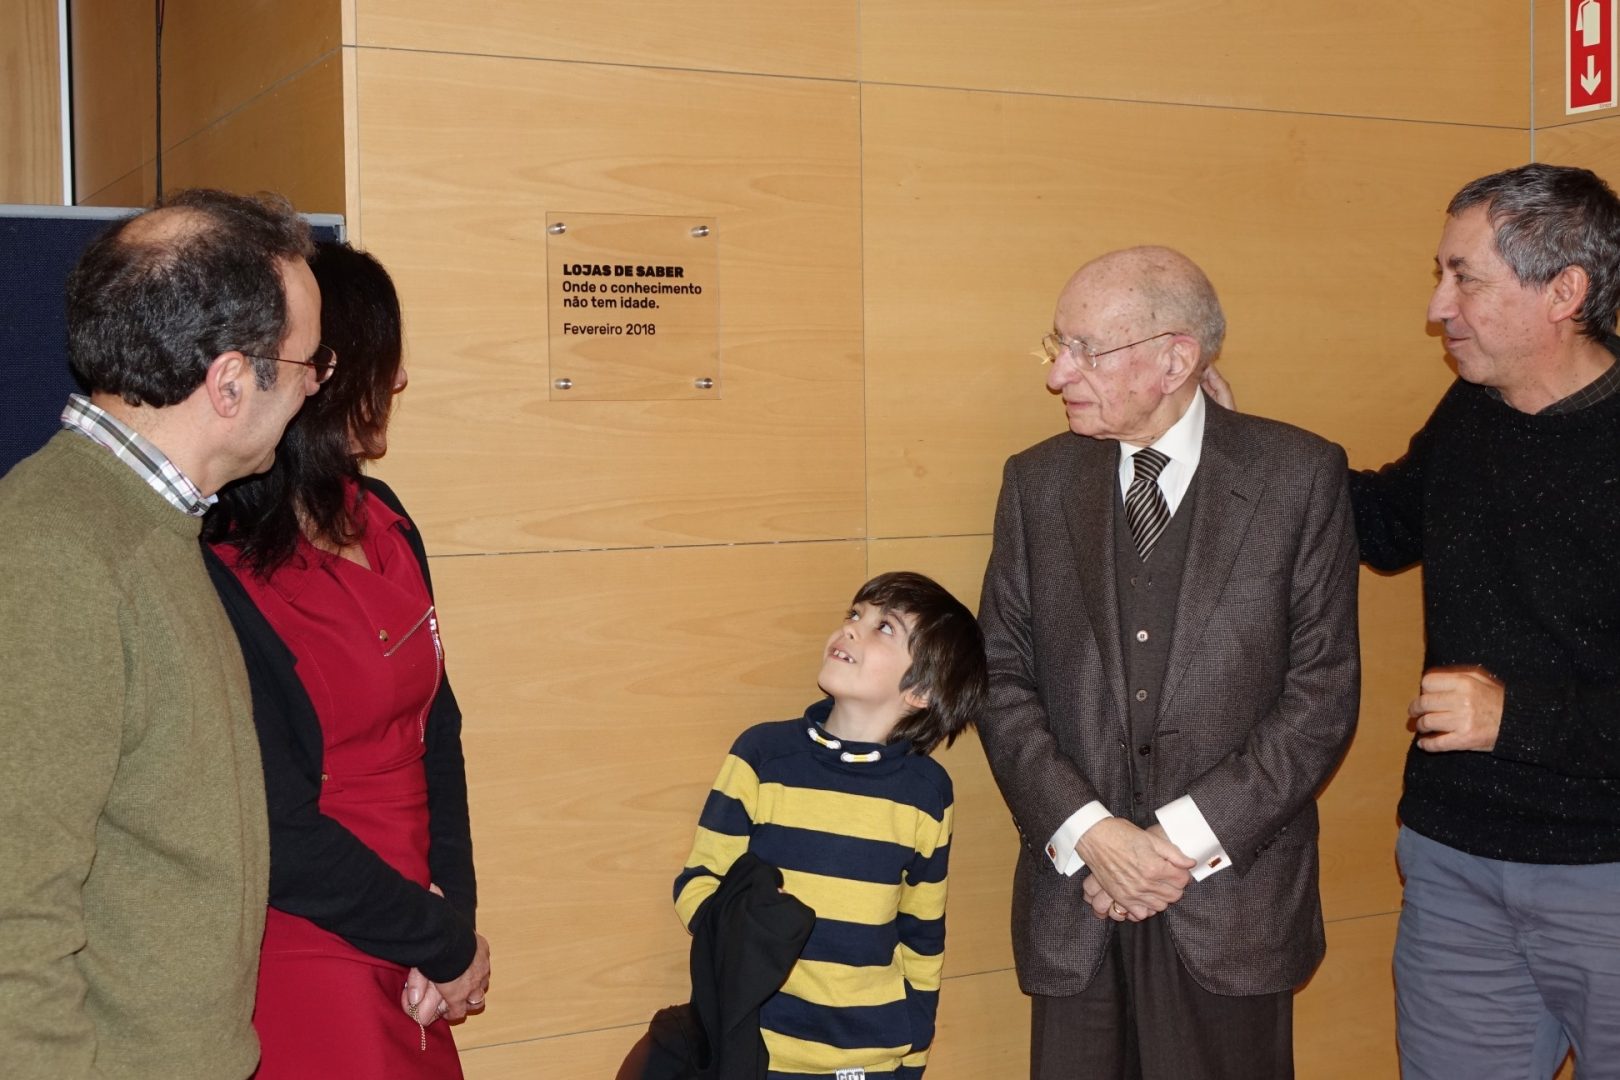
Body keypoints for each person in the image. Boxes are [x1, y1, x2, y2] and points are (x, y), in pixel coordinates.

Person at [977, 246, 1360, 1080]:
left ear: (1176, 358)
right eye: (1058, 346)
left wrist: (1170, 846)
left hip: (1233, 901)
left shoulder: (1299, 476)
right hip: (1075, 895)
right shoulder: (1036, 484)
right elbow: (1000, 676)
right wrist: (1093, 834)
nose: (1058, 376)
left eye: (1085, 349)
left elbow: (1321, 695)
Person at [0, 189, 321, 1079]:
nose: (312, 387)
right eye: (306, 364)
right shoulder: (57, 553)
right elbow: (12, 916)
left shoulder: (144, 528)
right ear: (228, 382)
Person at [1340, 163, 1620, 1079]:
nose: (1437, 307)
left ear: (1565, 293)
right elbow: (1382, 526)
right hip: (1455, 864)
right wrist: (1235, 444)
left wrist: (1517, 718)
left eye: (1466, 277)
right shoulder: (1472, 408)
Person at [201, 241, 490, 1079]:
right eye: (385, 359)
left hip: (420, 928)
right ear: (326, 372)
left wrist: (452, 924)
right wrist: (436, 938)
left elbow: (441, 727)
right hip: (309, 935)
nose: (397, 382)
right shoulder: (218, 561)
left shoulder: (387, 518)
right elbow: (276, 828)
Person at [672, 571, 989, 1079]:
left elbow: (923, 936)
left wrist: (913, 1057)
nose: (851, 629)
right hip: (760, 1052)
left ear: (922, 690)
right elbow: (697, 882)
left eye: (885, 627)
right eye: (855, 614)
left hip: (869, 1061)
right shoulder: (762, 755)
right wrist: (747, 931)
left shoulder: (927, 793)